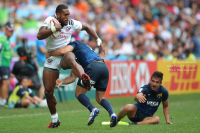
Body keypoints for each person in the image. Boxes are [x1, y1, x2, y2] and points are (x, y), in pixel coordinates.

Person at [36, 4, 104, 128]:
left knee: (70, 56)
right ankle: (55, 120)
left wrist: (98, 40)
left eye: (69, 14)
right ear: (58, 14)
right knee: (48, 91)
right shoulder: (50, 21)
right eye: (65, 15)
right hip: (52, 58)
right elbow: (39, 35)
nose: (68, 17)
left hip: (64, 55)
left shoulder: (71, 23)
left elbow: (87, 27)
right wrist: (53, 29)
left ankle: (84, 78)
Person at [48, 40, 118, 127]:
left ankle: (93, 110)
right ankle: (113, 114)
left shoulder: (74, 43)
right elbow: (73, 77)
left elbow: (63, 51)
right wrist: (62, 81)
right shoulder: (80, 53)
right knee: (100, 98)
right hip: (104, 67)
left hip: (92, 66)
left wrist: (50, 53)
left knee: (79, 93)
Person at [0, 22, 14, 106]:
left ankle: (2, 100)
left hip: (6, 65)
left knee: (3, 83)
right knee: (5, 82)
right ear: (6, 29)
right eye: (10, 31)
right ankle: (4, 100)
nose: (11, 33)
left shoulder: (8, 40)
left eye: (12, 31)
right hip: (2, 64)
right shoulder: (2, 39)